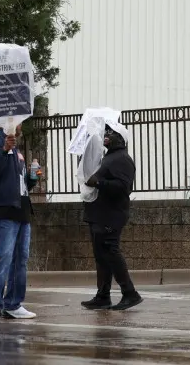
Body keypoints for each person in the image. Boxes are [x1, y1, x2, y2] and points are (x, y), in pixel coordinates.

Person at [0, 123, 39, 321]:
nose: (21, 124)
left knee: (20, 259)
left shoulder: (17, 149)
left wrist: (32, 177)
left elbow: (18, 181)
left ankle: (13, 303)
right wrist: (4, 150)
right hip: (3, 209)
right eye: (19, 121)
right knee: (4, 257)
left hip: (21, 209)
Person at [80, 123, 141, 310]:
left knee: (110, 252)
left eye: (112, 132)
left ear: (121, 139)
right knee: (101, 256)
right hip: (99, 213)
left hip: (111, 215)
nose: (106, 134)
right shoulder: (107, 157)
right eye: (106, 131)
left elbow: (123, 188)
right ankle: (103, 295)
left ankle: (129, 293)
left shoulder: (122, 158)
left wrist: (98, 182)